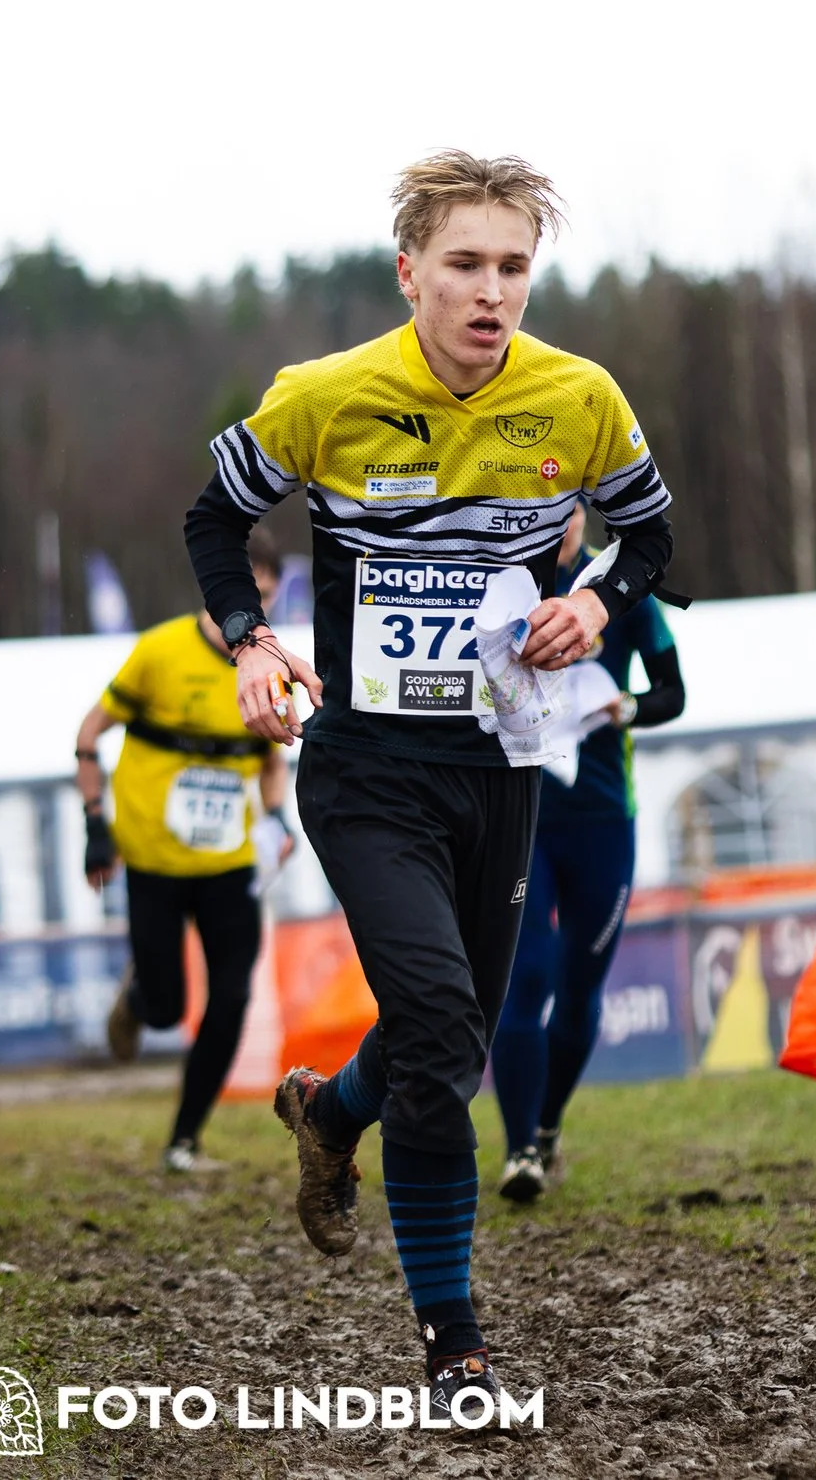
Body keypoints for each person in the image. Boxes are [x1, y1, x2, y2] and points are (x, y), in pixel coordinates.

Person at [185, 152, 675, 1415]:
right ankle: (454, 1337)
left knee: (438, 1039)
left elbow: (653, 533)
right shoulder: (326, 396)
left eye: (513, 267)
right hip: (366, 770)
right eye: (464, 264)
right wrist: (248, 639)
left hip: (499, 765)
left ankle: (330, 1106)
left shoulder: (579, 398)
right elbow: (211, 516)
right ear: (409, 272)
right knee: (448, 1032)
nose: (490, 292)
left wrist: (592, 594)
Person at [75, 526, 294, 1173]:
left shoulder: (268, 664)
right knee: (169, 1007)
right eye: (250, 598)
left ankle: (184, 1139)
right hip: (153, 862)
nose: (257, 615)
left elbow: (272, 758)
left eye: (269, 602)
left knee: (229, 1000)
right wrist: (95, 823)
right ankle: (140, 998)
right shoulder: (159, 653)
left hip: (229, 866)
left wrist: (279, 817)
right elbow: (90, 731)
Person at [489, 502, 684, 1203]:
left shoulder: (620, 585)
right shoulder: (501, 583)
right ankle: (518, 1153)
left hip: (604, 816)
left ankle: (545, 1125)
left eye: (565, 510)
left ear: (581, 514)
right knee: (528, 974)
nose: (554, 523)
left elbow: (673, 693)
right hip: (523, 815)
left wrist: (622, 706)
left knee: (579, 988)